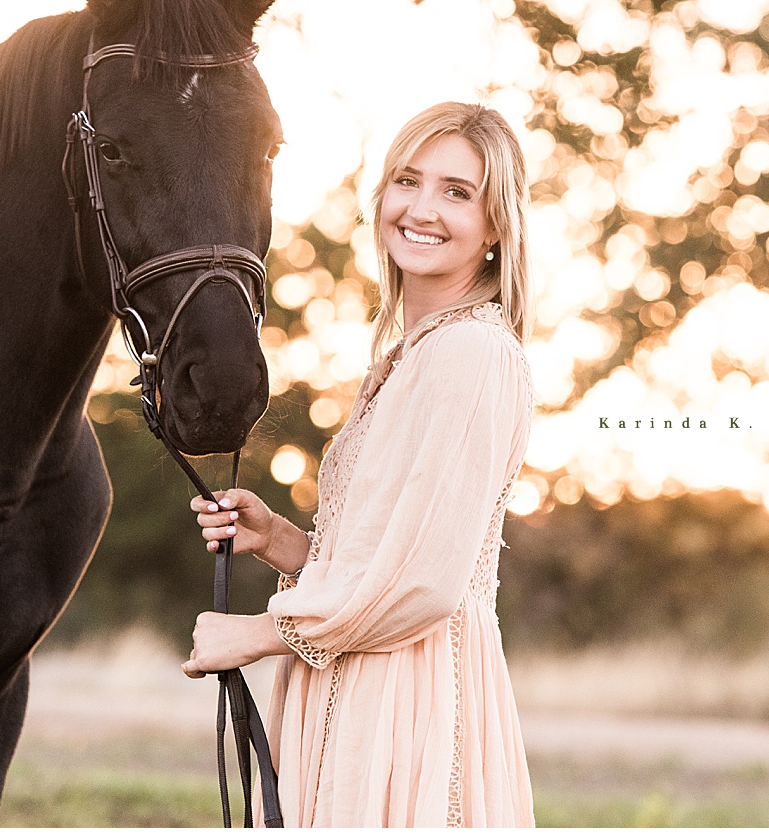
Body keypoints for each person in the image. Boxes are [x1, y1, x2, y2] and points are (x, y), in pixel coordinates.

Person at [180, 101, 536, 827]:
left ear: (496, 225)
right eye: (408, 180)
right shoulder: (411, 356)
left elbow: (424, 583)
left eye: (457, 191)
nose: (423, 207)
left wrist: (255, 632)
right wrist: (280, 539)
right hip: (356, 687)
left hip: (407, 706)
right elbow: (381, 559)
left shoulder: (470, 354)